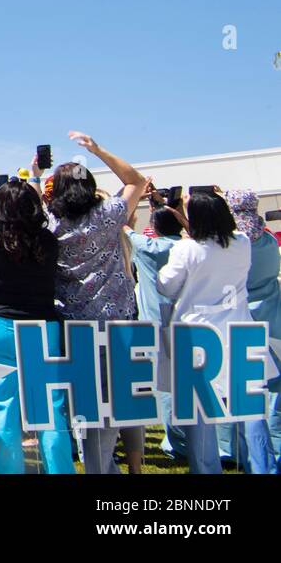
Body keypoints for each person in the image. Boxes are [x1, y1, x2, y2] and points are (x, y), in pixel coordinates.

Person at [158, 190, 278, 474]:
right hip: (239, 333)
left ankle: (207, 470)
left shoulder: (187, 249)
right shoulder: (243, 243)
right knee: (251, 412)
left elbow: (165, 285)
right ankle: (263, 468)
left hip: (198, 336)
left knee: (200, 416)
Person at [44, 133, 143, 474]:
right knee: (114, 403)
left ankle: (100, 466)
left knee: (83, 404)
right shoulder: (110, 214)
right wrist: (97, 150)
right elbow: (136, 180)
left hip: (74, 324)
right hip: (116, 322)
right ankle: (102, 466)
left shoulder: (50, 224)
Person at [0, 181, 73, 474]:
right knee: (50, 410)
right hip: (41, 327)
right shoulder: (48, 242)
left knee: (2, 407)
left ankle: (8, 469)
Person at [125, 189, 186, 459]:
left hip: (155, 324)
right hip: (186, 322)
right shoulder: (187, 246)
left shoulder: (147, 247)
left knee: (165, 387)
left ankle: (176, 442)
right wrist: (167, 207)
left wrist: (134, 194)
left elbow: (122, 224)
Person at [227, 189, 281, 459]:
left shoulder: (233, 244)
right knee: (276, 385)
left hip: (244, 320)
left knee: (246, 388)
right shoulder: (270, 240)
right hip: (273, 315)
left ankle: (245, 451)